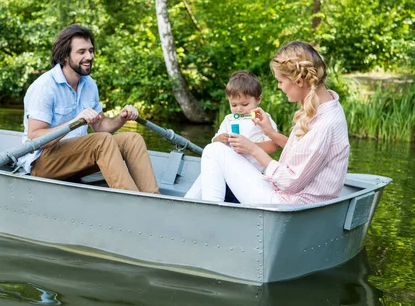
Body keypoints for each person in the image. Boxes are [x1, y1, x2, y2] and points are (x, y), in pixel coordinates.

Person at [187, 41, 349, 204]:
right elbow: (302, 153)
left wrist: (252, 149)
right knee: (214, 153)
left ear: (299, 81)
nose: (279, 87)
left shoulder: (323, 124)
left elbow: (290, 182)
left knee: (213, 150)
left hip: (287, 204)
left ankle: (210, 212)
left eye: (280, 81)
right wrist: (270, 132)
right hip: (292, 197)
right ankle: (192, 208)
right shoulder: (328, 106)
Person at [18, 25, 159, 193]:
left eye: (91, 51)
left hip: (76, 158)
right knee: (101, 141)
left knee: (132, 140)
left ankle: (153, 199)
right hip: (43, 162)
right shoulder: (44, 87)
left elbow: (101, 126)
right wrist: (76, 121)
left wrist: (121, 117)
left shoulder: (89, 84)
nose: (89, 56)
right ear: (64, 56)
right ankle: (132, 202)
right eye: (82, 52)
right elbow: (35, 138)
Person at [184, 70, 278, 200]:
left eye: (245, 104)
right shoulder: (229, 119)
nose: (239, 109)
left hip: (254, 172)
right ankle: (186, 203)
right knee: (207, 169)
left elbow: (273, 146)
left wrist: (250, 146)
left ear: (258, 99)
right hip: (228, 172)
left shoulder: (262, 118)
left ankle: (206, 206)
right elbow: (214, 143)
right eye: (233, 105)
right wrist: (220, 139)